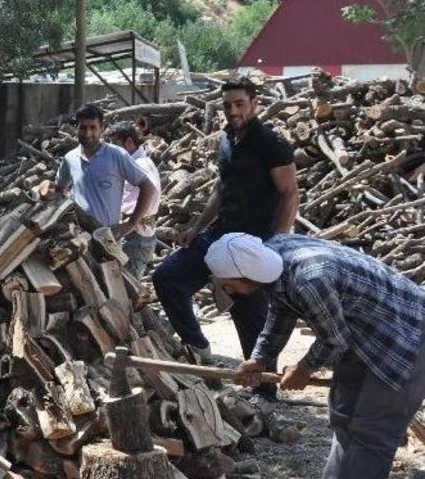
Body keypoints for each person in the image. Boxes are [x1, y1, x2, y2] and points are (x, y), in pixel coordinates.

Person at [203, 233, 425, 479]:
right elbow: (283, 309)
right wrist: (260, 358)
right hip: (364, 337)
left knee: (370, 431)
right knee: (343, 416)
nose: (228, 291)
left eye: (229, 284)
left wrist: (303, 369)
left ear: (248, 274)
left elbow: (335, 341)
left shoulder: (310, 279)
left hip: (408, 337)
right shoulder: (274, 256)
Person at [151, 77, 299, 405]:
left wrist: (277, 243)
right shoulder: (226, 140)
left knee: (251, 317)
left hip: (253, 243)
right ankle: (199, 347)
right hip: (219, 235)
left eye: (239, 104)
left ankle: (263, 392)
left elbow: (290, 193)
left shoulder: (270, 142)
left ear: (254, 103)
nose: (233, 111)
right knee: (167, 278)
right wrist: (196, 226)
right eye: (227, 105)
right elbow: (222, 189)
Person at [55, 104, 159, 241]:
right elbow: (59, 190)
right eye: (83, 128)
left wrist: (130, 224)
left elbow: (149, 188)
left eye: (93, 128)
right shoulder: (70, 158)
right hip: (80, 238)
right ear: (76, 128)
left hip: (108, 238)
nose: (87, 133)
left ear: (102, 129)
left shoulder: (116, 155)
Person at [106, 121, 161, 279]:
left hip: (136, 236)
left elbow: (150, 191)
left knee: (128, 285)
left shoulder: (139, 164)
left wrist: (130, 224)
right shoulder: (137, 162)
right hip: (137, 233)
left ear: (129, 142)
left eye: (115, 144)